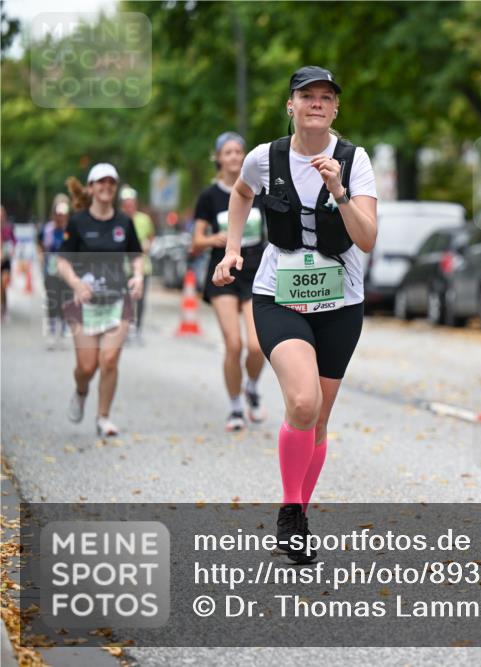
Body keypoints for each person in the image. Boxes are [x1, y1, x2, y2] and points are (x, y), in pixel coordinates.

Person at [213, 66, 377, 563]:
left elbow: (366, 238)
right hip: (277, 295)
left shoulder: (354, 159)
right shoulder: (266, 158)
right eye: (308, 96)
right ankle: (289, 509)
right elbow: (241, 194)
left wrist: (340, 192)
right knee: (302, 403)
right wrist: (231, 249)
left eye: (327, 97)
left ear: (335, 109)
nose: (317, 104)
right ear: (291, 105)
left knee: (320, 419)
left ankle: (300, 514)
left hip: (341, 303)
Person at [57, 164, 144, 437]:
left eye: (111, 182)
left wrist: (138, 276)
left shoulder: (124, 222)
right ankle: (82, 391)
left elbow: (136, 256)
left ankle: (103, 417)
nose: (106, 186)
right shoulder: (78, 222)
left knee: (109, 360)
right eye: (101, 182)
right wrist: (75, 283)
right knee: (87, 366)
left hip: (118, 302)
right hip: (84, 305)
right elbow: (62, 261)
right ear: (91, 187)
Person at [192, 132, 268, 431]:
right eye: (228, 152)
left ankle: (251, 385)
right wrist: (214, 239)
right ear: (218, 158)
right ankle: (236, 407)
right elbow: (195, 240)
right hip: (223, 270)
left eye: (239, 152)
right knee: (233, 345)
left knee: (257, 346)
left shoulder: (259, 189)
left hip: (255, 268)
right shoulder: (209, 197)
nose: (235, 157)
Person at [119, 186, 155, 342]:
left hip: (143, 266)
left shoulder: (144, 219)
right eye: (126, 203)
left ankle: (138, 328)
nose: (129, 206)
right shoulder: (118, 219)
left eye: (132, 203)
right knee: (125, 299)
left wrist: (148, 245)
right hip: (123, 267)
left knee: (140, 299)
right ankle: (125, 328)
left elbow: (151, 237)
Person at [38, 194, 71, 348]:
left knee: (65, 301)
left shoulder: (71, 230)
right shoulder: (47, 229)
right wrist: (41, 259)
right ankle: (52, 331)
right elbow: (40, 245)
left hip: (67, 270)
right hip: (50, 269)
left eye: (63, 213)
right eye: (58, 213)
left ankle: (64, 331)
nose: (61, 216)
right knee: (52, 300)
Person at [1, 205, 14, 323]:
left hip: (5, 262)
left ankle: (5, 309)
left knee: (3, 285)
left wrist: (4, 255)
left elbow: (12, 244)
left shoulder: (8, 229)